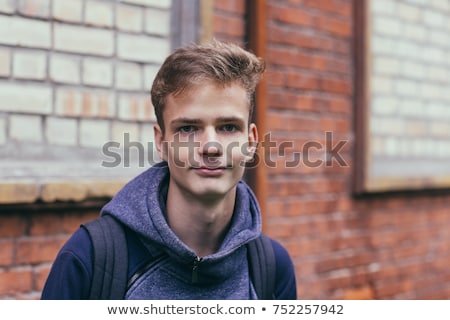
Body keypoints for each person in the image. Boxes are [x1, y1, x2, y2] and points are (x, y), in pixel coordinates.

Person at [41, 40, 297, 300]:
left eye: (228, 127)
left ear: (251, 141)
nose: (210, 147)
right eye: (188, 128)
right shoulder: (90, 257)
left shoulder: (272, 268)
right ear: (161, 142)